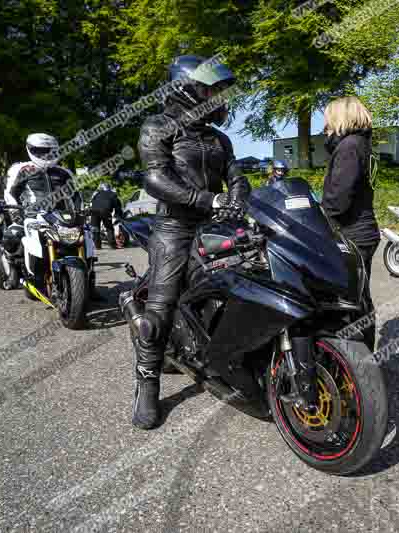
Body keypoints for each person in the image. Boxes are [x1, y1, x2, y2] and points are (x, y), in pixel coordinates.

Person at [131, 54, 250, 430]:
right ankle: (147, 383)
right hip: (174, 226)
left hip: (216, 222)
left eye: (220, 91)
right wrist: (208, 200)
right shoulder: (158, 126)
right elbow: (156, 179)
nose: (218, 97)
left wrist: (238, 200)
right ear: (186, 88)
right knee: (161, 306)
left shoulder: (220, 139)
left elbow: (237, 177)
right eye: (211, 89)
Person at [320, 95, 380, 352]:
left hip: (351, 232)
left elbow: (339, 199)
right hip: (364, 230)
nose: (325, 126)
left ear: (340, 117)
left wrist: (318, 215)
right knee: (361, 298)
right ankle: (364, 359)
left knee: (348, 302)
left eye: (328, 120)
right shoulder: (364, 146)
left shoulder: (349, 147)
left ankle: (357, 362)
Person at [5, 133, 82, 213]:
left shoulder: (64, 172)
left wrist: (79, 213)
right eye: (41, 151)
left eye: (50, 151)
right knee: (14, 226)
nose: (46, 154)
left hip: (61, 219)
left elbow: (76, 196)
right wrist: (16, 213)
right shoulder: (21, 169)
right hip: (32, 218)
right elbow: (10, 194)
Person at [89, 182, 123, 249]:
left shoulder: (97, 194)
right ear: (109, 188)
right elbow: (117, 206)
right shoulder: (112, 194)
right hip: (105, 211)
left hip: (94, 211)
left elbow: (92, 202)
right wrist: (118, 214)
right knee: (109, 228)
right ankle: (112, 245)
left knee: (96, 229)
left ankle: (97, 246)